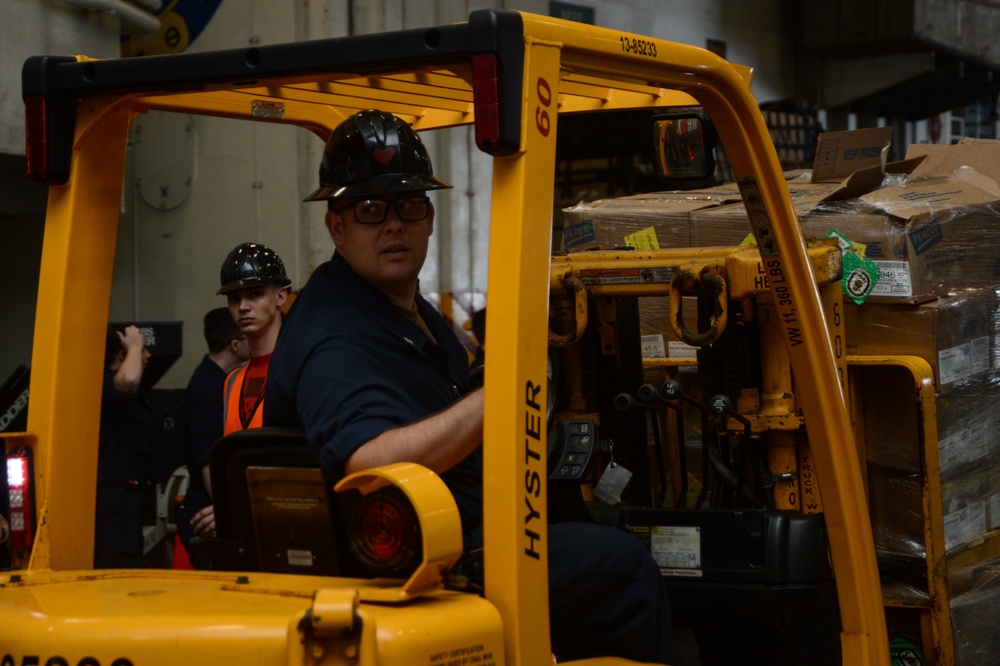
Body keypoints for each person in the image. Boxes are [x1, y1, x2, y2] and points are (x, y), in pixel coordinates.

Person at [264, 109, 673, 663]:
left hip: (459, 533)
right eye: (368, 210)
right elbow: (367, 458)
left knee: (595, 519)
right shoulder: (334, 332)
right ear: (336, 226)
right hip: (423, 561)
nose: (393, 224)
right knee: (626, 568)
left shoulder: (406, 311)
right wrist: (503, 397)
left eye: (408, 205)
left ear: (429, 217)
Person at [189, 242, 291, 538]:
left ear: (280, 295)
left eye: (255, 294)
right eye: (234, 299)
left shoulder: (301, 370)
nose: (243, 306)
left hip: (292, 523)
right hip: (247, 534)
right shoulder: (232, 381)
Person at [175, 307, 249, 568]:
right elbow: (208, 463)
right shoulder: (209, 389)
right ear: (235, 345)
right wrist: (229, 515)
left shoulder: (219, 380)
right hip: (208, 516)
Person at [95, 324, 155, 568]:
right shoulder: (107, 386)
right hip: (112, 506)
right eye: (144, 350)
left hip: (130, 503)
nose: (148, 355)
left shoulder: (135, 397)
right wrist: (134, 345)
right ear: (123, 355)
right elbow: (128, 378)